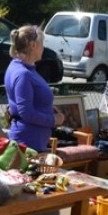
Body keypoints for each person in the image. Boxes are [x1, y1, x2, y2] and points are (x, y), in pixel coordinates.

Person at [4, 24, 64, 152]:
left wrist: (49, 108)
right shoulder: (23, 73)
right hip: (28, 142)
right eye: (42, 43)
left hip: (32, 141)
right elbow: (26, 112)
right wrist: (53, 120)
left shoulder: (22, 67)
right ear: (33, 45)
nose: (43, 47)